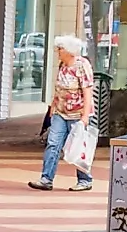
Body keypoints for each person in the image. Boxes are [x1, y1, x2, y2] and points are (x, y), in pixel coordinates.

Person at [32, 35, 97, 192]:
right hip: (60, 112)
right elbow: (59, 88)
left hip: (78, 112)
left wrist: (85, 116)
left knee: (78, 147)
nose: (57, 52)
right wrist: (53, 106)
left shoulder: (82, 65)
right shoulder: (63, 65)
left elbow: (87, 91)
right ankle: (46, 178)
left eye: (60, 49)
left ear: (69, 51)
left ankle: (85, 180)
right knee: (53, 143)